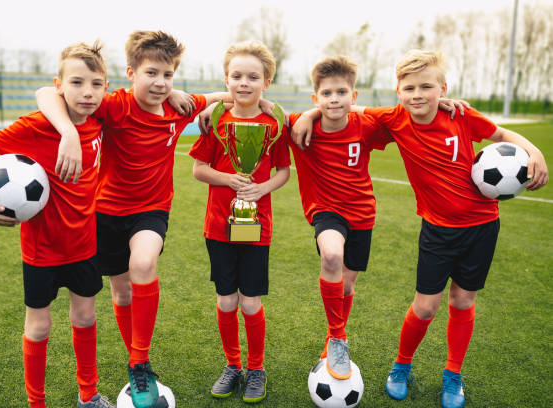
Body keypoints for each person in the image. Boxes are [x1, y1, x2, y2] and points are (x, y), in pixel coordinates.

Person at [292, 49, 548, 408]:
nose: (417, 94)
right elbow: (344, 106)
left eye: (426, 87)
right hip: (437, 230)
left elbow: (501, 132)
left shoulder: (462, 116)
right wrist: (310, 112)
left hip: (483, 226)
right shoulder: (394, 119)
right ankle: (401, 366)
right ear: (398, 91)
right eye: (409, 87)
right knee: (426, 307)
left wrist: (533, 150)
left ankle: (453, 375)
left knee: (463, 300)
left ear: (442, 88)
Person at [34, 30, 238, 408]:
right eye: (151, 73)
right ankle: (135, 358)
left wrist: (208, 106)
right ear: (131, 72)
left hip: (151, 209)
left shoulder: (180, 106)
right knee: (121, 290)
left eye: (168, 75)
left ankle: (139, 361)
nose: (160, 83)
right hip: (106, 210)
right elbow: (47, 93)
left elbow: (228, 95)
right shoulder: (114, 105)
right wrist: (67, 132)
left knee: (143, 263)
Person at [0, 41, 114, 408]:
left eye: (97, 84)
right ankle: (36, 403)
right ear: (60, 85)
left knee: (86, 316)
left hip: (84, 245)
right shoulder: (35, 126)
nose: (87, 92)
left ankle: (88, 396)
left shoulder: (100, 119)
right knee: (39, 326)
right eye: (77, 83)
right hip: (41, 251)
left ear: (106, 88)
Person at [189, 40, 291, 403]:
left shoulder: (274, 123)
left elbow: (284, 171)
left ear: (266, 81)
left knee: (250, 302)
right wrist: (227, 178)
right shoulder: (215, 120)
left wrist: (261, 188)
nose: (243, 83)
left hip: (257, 227)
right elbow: (198, 170)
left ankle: (257, 368)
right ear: (226, 79)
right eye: (236, 76)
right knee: (227, 300)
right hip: (218, 226)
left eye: (252, 77)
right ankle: (233, 365)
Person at [287, 56, 393, 380]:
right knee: (332, 255)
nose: (334, 99)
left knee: (346, 285)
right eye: (327, 94)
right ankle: (338, 337)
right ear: (315, 97)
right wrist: (307, 115)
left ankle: (334, 335)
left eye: (341, 92)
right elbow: (259, 110)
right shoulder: (300, 125)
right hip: (325, 209)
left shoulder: (366, 127)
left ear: (354, 96)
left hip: (362, 211)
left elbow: (401, 122)